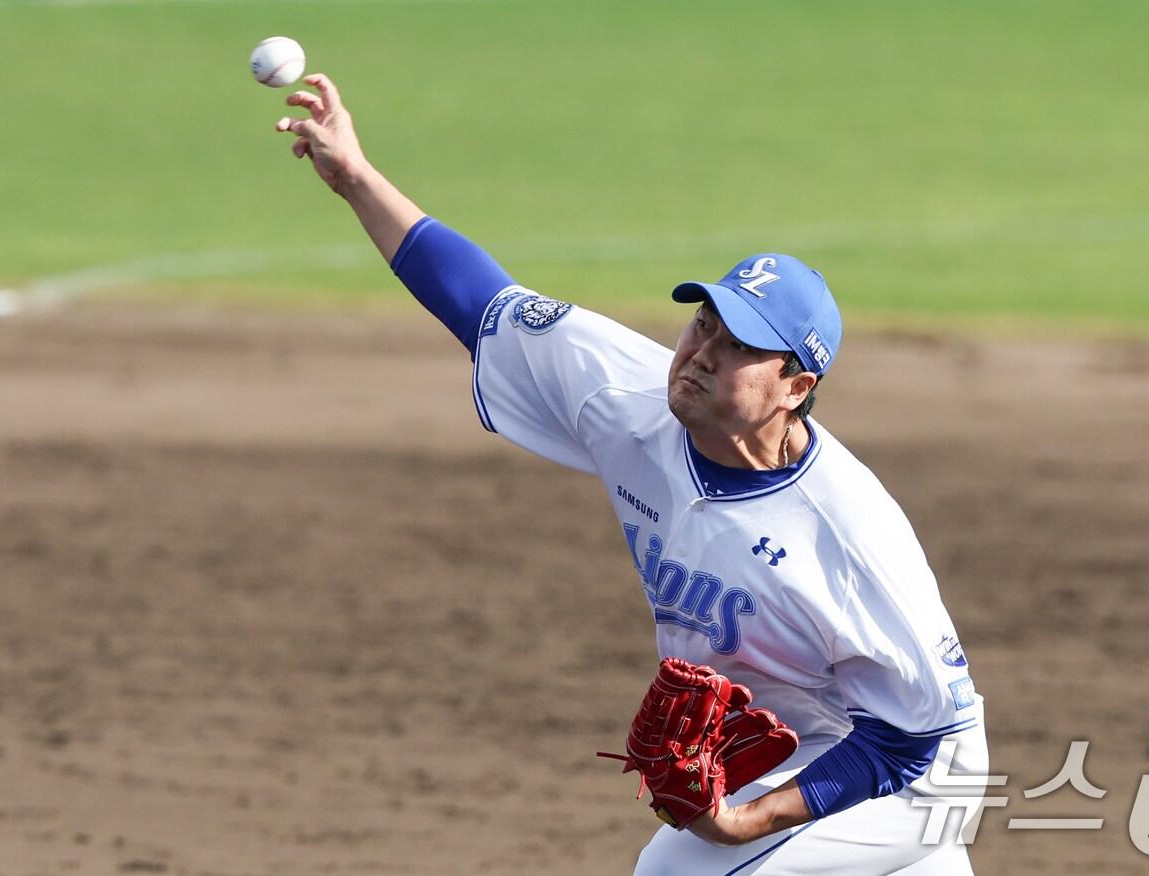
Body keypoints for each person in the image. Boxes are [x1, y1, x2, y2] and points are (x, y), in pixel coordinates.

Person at [275, 74, 990, 875]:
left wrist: (750, 820)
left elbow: (913, 738)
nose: (703, 352)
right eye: (703, 323)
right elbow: (482, 304)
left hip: (920, 773)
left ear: (797, 387)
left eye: (740, 346)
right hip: (802, 745)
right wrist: (357, 179)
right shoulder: (630, 399)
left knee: (676, 872)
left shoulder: (850, 535)